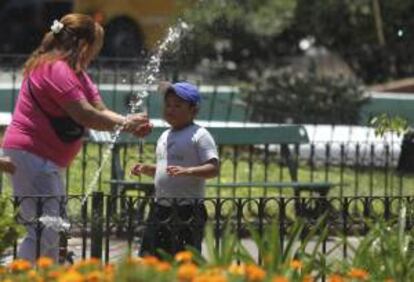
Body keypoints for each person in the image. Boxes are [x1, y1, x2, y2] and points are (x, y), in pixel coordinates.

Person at [1, 13, 152, 263]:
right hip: (32, 155)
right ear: (83, 45)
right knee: (45, 231)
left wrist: (130, 121)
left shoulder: (76, 73)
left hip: (44, 160)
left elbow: (100, 110)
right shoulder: (54, 68)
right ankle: (11, 275)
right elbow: (85, 115)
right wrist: (125, 124)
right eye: (96, 47)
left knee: (53, 230)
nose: (95, 54)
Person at [131, 81, 219, 257]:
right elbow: (167, 169)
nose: (170, 109)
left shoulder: (200, 135)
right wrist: (149, 169)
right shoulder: (165, 135)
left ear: (193, 110)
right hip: (160, 207)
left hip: (188, 210)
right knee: (152, 257)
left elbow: (213, 168)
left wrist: (188, 171)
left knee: (184, 259)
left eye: (178, 105)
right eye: (168, 105)